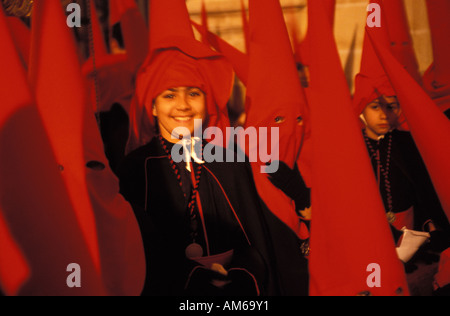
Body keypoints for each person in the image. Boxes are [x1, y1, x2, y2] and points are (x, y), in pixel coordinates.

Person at [117, 43, 309, 296]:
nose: (183, 106)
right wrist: (190, 277)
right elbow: (133, 249)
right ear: (152, 106)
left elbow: (255, 238)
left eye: (194, 94)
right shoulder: (133, 169)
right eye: (170, 95)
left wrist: (242, 273)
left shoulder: (229, 161)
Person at [354, 75, 450, 255]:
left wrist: (429, 223)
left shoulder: (407, 143)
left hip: (411, 228)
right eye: (375, 107)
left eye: (391, 107)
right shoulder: (352, 146)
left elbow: (423, 189)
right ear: (362, 108)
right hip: (370, 231)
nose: (384, 115)